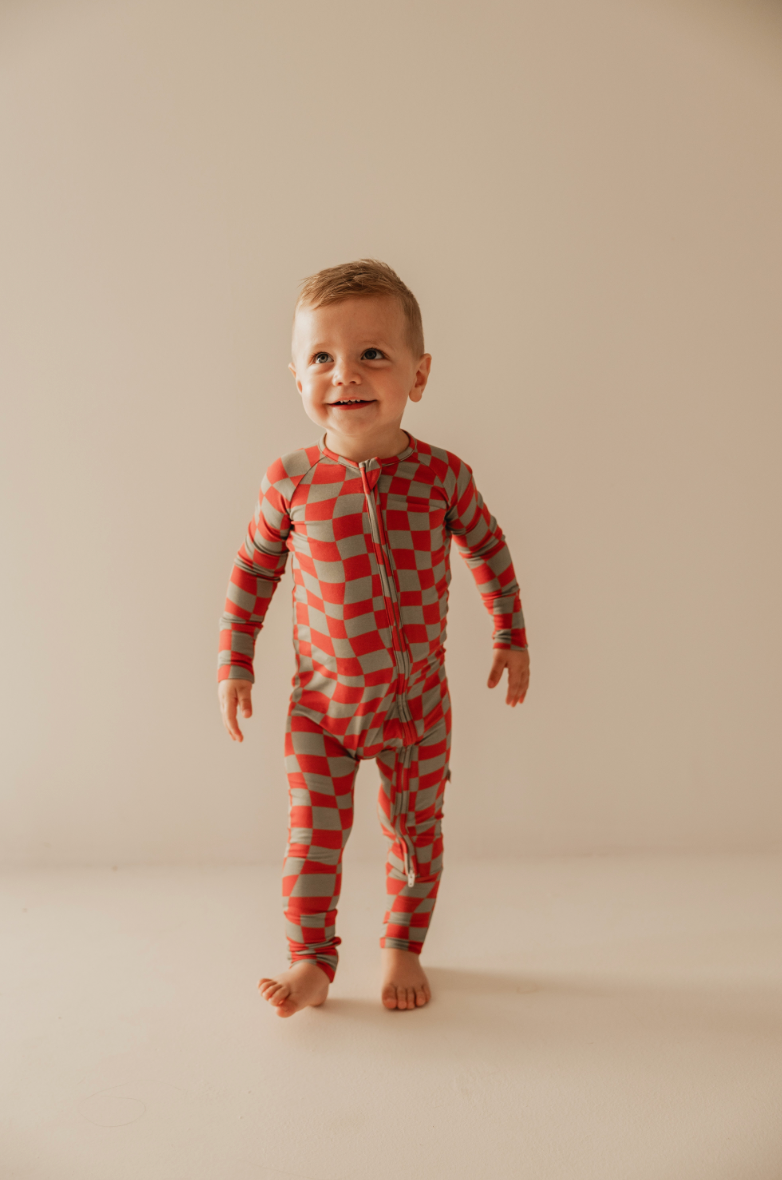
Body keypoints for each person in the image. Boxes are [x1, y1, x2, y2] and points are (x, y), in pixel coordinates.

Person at [217, 259, 530, 1017]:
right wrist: (235, 660)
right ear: (296, 377)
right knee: (311, 841)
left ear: (418, 376)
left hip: (416, 706)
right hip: (321, 709)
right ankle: (311, 961)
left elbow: (489, 548)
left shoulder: (442, 477)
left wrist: (510, 634)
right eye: (321, 356)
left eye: (372, 354)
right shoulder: (290, 480)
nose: (345, 374)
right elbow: (253, 572)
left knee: (416, 833)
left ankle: (401, 945)